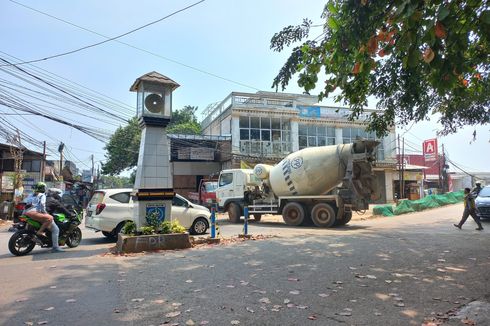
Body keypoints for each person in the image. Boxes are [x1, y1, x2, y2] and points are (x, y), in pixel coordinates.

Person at [24, 182, 64, 252]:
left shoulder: (30, 195)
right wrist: (45, 213)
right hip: (34, 213)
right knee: (52, 221)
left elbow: (26, 204)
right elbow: (42, 206)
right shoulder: (42, 195)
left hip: (26, 213)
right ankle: (55, 247)